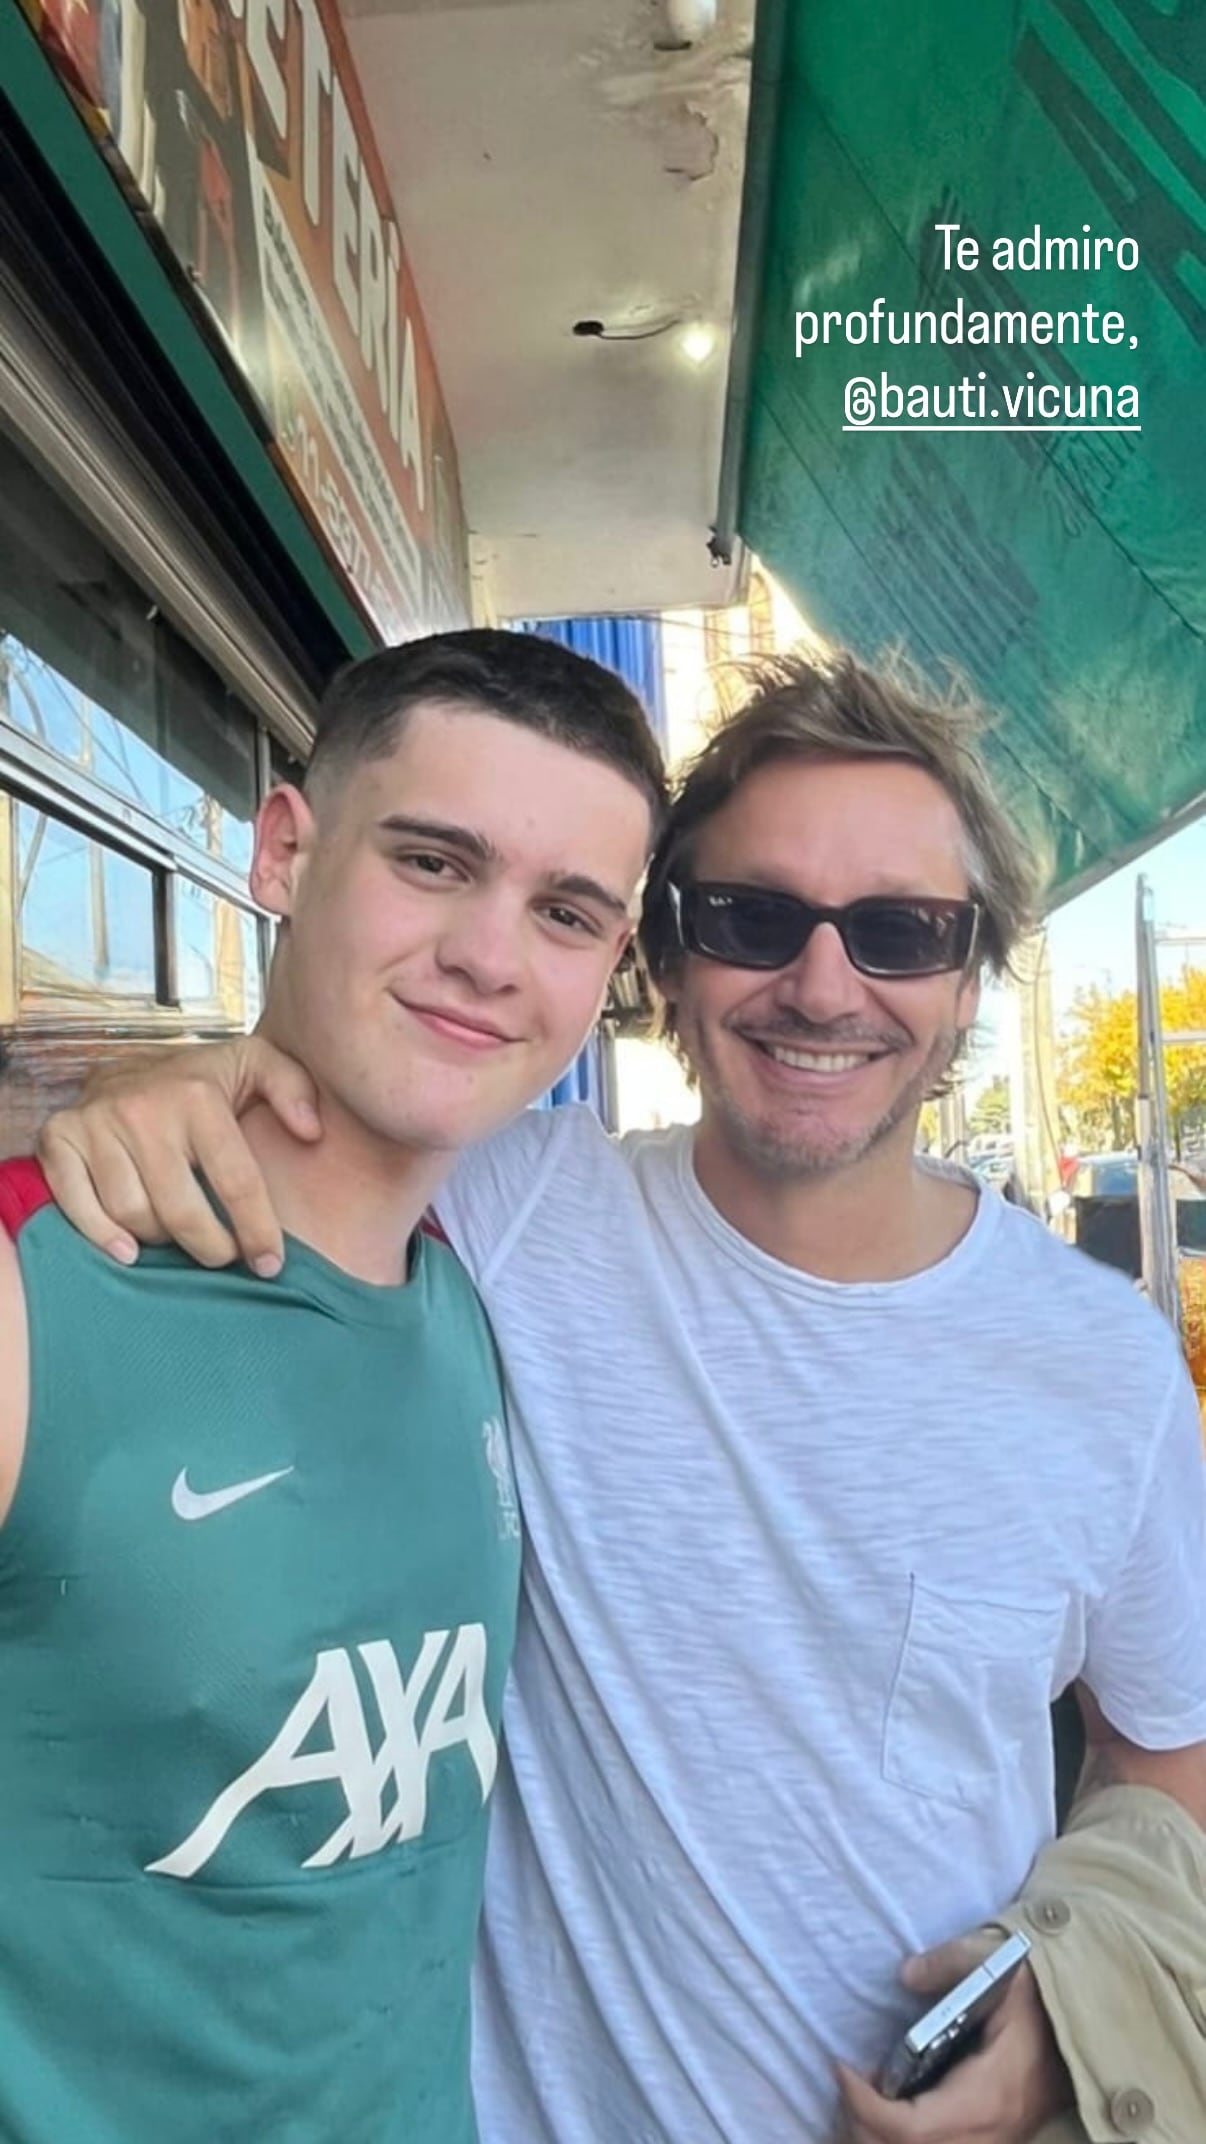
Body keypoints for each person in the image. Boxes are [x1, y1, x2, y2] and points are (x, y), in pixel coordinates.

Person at [40, 651, 1206, 2144]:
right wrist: (142, 1084)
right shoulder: (515, 1213)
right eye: (752, 918)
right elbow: (329, 1102)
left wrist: (1063, 2006)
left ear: (969, 977)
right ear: (663, 960)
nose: (824, 986)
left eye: (900, 932)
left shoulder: (1102, 1363)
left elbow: (1167, 1758)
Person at [0, 628, 660, 2143]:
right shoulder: (38, 1296)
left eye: (565, 912)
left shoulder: (483, 1303)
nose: (491, 955)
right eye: (432, 862)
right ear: (285, 852)